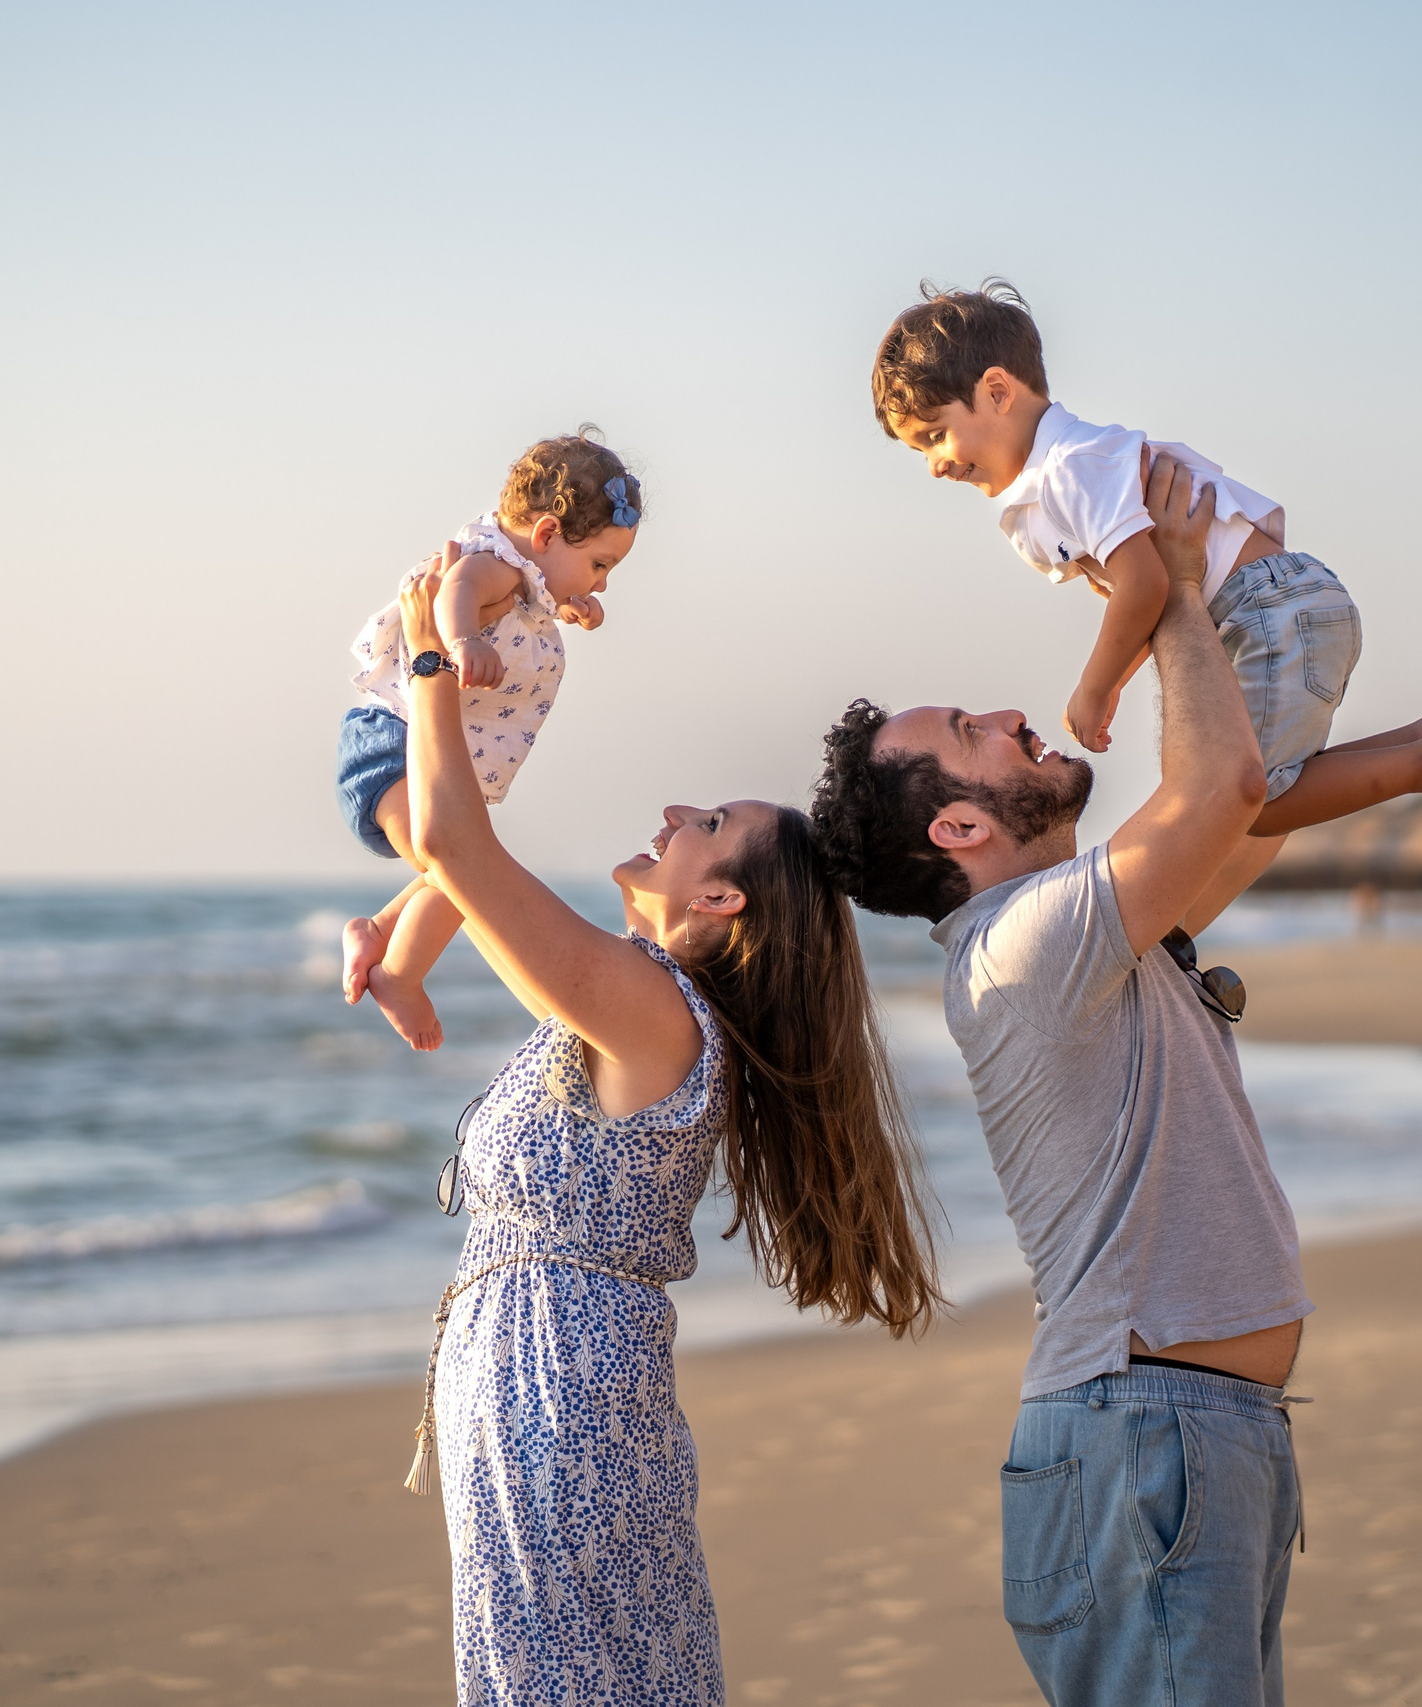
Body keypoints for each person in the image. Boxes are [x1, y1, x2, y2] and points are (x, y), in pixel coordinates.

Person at [386, 561, 943, 1705]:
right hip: (547, 1382)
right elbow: (450, 866)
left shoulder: (654, 1013)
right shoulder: (629, 1011)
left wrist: (431, 655)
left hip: (559, 1390)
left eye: (708, 826)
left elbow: (452, 840)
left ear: (720, 900)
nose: (676, 813)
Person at [810, 457, 1309, 1705]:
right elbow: (1225, 786)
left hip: (1178, 1436)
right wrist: (1169, 588)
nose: (1003, 714)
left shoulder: (1077, 931)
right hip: (1147, 1439)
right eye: (968, 734)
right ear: (959, 829)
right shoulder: (1027, 945)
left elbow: (1253, 812)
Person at [870, 281, 1422, 924]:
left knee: (1250, 799)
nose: (935, 464)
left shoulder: (1069, 470)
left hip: (1265, 612)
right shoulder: (1075, 465)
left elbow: (1147, 586)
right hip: (1283, 603)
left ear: (998, 392)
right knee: (1266, 780)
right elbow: (1147, 594)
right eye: (920, 449)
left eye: (936, 436)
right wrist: (1120, 675)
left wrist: (1096, 686)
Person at [337, 431, 636, 1052]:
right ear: (547, 534)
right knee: (466, 869)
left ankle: (380, 930)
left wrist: (571, 605)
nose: (603, 583)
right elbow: (458, 591)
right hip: (394, 745)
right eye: (600, 565)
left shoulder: (526, 582)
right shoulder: (493, 565)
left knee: (463, 871)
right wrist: (464, 640)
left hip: (411, 751)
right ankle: (400, 976)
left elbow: (529, 605)